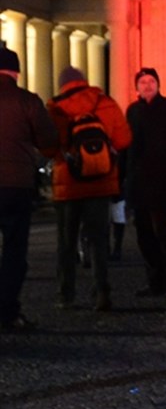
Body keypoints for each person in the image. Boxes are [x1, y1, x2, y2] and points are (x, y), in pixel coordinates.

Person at [46, 65, 131, 312]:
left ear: (62, 84)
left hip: (68, 185)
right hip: (100, 182)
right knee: (98, 240)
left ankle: (66, 294)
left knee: (66, 242)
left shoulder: (55, 108)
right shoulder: (105, 102)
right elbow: (124, 139)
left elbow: (49, 145)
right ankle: (102, 291)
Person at [0, 42, 58, 332]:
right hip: (15, 185)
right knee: (13, 251)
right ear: (16, 73)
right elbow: (49, 143)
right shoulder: (28, 101)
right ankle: (8, 311)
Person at [126, 67, 166, 298]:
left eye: (151, 81)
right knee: (144, 234)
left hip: (163, 180)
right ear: (136, 87)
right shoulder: (132, 111)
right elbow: (128, 149)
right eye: (142, 82)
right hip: (139, 182)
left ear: (158, 84)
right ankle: (155, 280)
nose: (147, 85)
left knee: (164, 232)